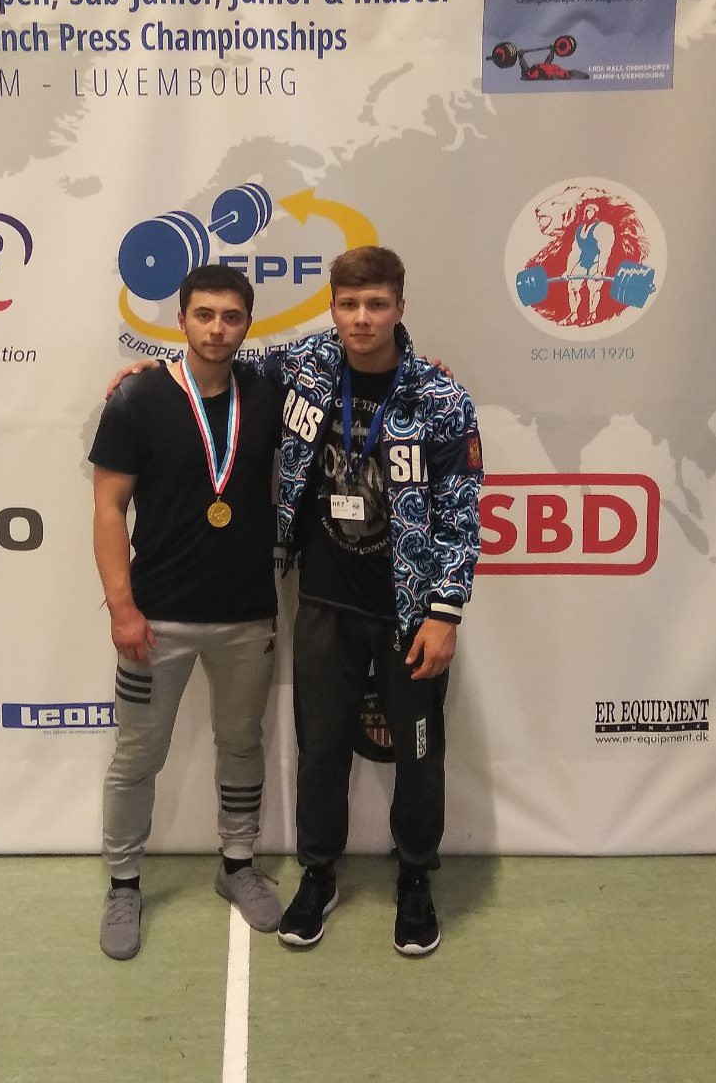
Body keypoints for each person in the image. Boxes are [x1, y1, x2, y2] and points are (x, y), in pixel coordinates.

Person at [267, 246, 482, 957]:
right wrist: (153, 373)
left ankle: (416, 876)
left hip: (408, 614)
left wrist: (445, 612)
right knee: (320, 748)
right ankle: (318, 873)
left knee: (419, 755)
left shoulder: (440, 399)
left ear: (399, 308)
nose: (362, 318)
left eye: (377, 304)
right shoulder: (304, 366)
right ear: (332, 308)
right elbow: (223, 368)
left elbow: (460, 515)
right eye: (350, 304)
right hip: (324, 602)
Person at [90, 264, 283, 960]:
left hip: (246, 616)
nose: (217, 329)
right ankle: (123, 884)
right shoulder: (138, 398)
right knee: (137, 756)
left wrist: (424, 366)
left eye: (231, 317)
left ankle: (238, 865)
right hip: (156, 620)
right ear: (181, 320)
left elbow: (356, 360)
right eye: (204, 315)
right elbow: (108, 506)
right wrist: (122, 607)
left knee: (241, 744)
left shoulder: (270, 392)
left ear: (248, 324)